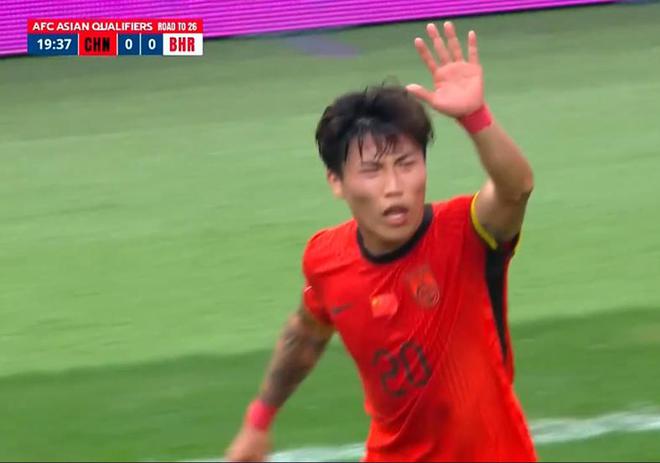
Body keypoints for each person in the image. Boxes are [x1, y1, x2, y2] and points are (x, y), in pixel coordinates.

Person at [225, 21, 536, 462]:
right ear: (336, 182)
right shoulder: (326, 258)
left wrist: (475, 118)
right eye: (372, 171)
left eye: (407, 164)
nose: (394, 187)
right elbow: (306, 335)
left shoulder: (466, 231)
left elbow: (516, 189)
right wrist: (259, 420)